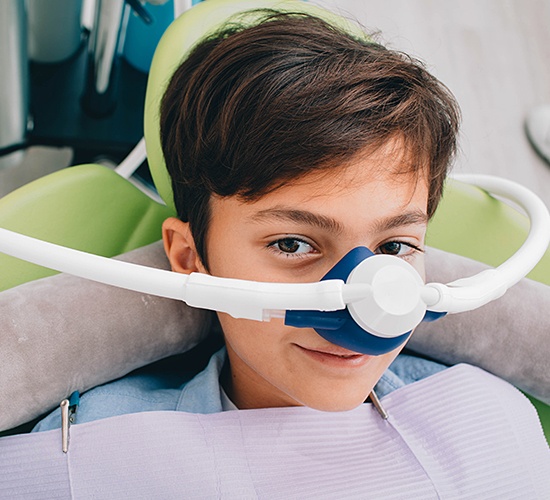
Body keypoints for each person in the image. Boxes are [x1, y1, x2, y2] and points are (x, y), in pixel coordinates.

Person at [30, 14, 550, 494]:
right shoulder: (88, 447)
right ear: (190, 257)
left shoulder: (488, 418)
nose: (362, 306)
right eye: (294, 244)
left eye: (393, 247)